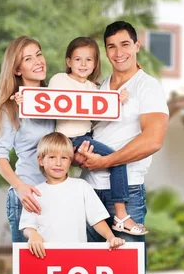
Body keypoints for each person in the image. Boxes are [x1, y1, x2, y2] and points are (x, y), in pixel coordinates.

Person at [76, 21, 170, 274]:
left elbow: (153, 139)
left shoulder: (148, 87)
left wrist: (107, 161)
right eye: (112, 46)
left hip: (125, 195)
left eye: (125, 44)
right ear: (106, 49)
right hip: (87, 191)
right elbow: (82, 130)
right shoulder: (98, 88)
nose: (119, 52)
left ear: (137, 45)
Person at [15, 36, 147, 236]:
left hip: (86, 137)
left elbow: (100, 113)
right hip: (68, 139)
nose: (83, 64)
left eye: (89, 60)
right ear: (68, 61)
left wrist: (117, 101)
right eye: (78, 59)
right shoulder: (59, 79)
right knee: (117, 160)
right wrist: (24, 100)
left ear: (95, 64)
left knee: (114, 160)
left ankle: (119, 216)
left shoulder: (93, 88)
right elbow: (44, 104)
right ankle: (121, 216)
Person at [0, 36, 55, 274]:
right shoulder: (9, 109)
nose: (38, 61)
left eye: (39, 55)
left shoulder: (56, 99)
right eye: (29, 58)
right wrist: (21, 189)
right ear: (17, 68)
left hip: (57, 198)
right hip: (27, 199)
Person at [20, 132, 125, 259]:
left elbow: (97, 219)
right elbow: (28, 226)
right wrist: (32, 235)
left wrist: (110, 237)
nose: (58, 163)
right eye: (52, 157)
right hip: (45, 257)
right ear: (41, 160)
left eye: (64, 158)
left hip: (77, 256)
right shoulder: (34, 193)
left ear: (70, 161)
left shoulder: (81, 186)